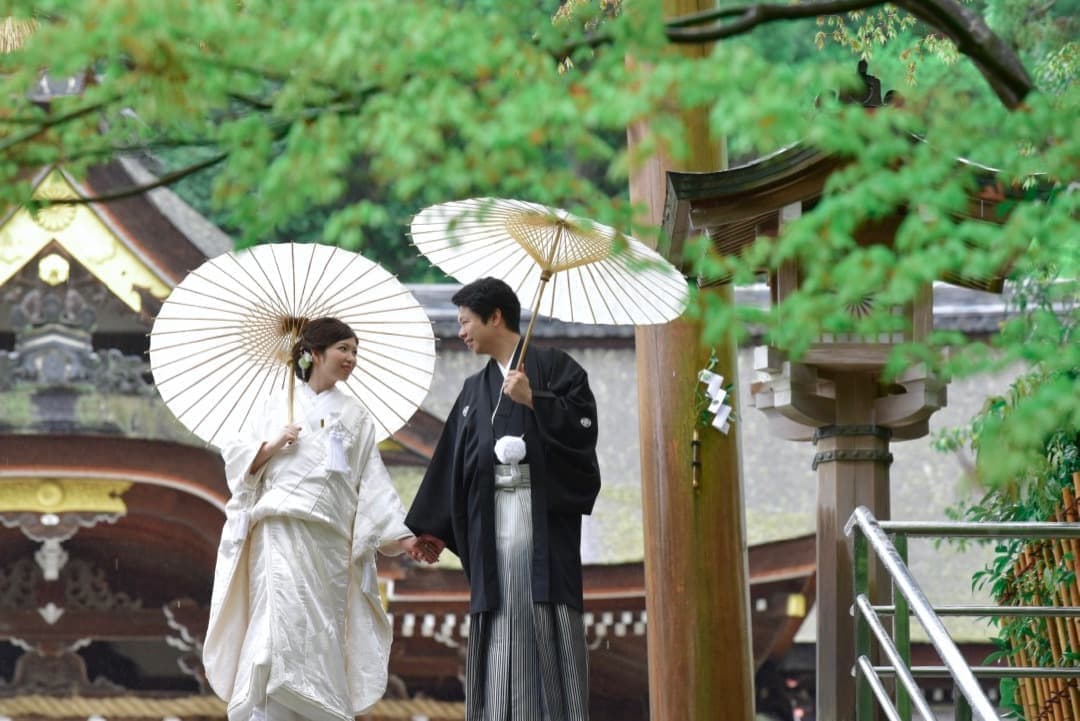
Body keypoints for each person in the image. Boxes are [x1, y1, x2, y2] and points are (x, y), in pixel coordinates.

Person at [203, 317, 437, 721]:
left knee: (321, 632)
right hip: (278, 530)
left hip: (329, 544)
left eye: (355, 351)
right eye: (344, 348)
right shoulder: (274, 405)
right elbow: (237, 461)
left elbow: (373, 485)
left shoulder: (357, 416)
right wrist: (272, 444)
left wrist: (405, 539)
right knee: (274, 629)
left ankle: (317, 707)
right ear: (314, 353)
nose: (351, 358)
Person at [406, 277, 602, 721]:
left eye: (466, 322)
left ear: (495, 317)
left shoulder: (556, 369)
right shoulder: (475, 391)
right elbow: (451, 462)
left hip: (539, 530)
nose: (461, 332)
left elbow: (584, 433)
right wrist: (433, 530)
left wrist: (536, 399)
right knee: (497, 626)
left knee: (542, 618)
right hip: (492, 531)